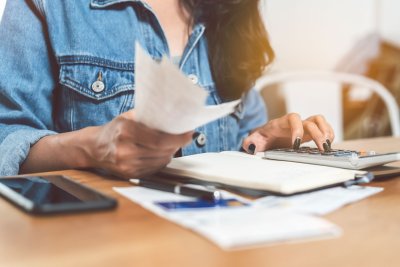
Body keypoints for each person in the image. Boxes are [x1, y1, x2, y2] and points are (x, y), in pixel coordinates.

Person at [0, 0, 334, 178]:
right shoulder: (49, 4)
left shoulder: (231, 9)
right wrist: (92, 148)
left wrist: (259, 143)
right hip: (100, 241)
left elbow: (238, 141)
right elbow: (7, 138)